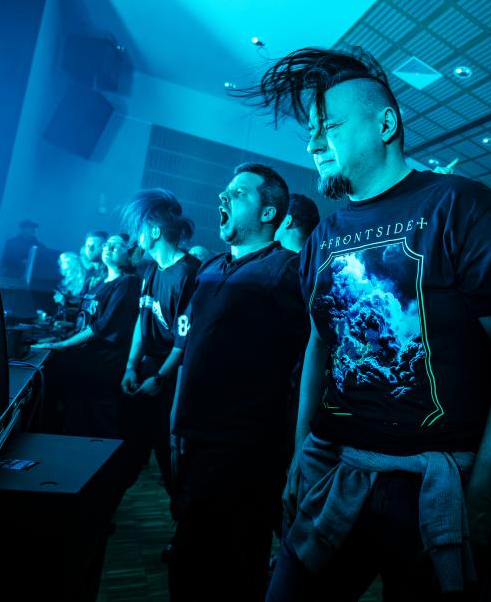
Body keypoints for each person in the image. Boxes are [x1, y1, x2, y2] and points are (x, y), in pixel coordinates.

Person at [241, 47, 491, 601]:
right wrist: (301, 453)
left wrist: (482, 499)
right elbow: (319, 346)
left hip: (438, 480)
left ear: (385, 124)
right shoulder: (323, 236)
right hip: (336, 467)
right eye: (311, 132)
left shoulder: (461, 204)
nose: (314, 144)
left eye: (329, 127)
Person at [165, 163, 308, 602]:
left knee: (233, 567)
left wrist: (297, 450)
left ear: (268, 213)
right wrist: (175, 423)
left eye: (240, 193)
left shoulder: (287, 270)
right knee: (188, 561)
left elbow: (306, 365)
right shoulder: (209, 266)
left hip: (245, 449)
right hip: (192, 439)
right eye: (225, 191)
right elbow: (190, 351)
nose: (224, 197)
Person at [118, 190, 199, 497]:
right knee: (129, 451)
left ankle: (181, 516)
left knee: (171, 457)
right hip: (149, 370)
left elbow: (183, 341)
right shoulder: (151, 269)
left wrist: (161, 378)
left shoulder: (188, 272)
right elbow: (143, 320)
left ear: (154, 230)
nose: (136, 237)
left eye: (141, 229)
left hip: (173, 378)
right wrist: (131, 366)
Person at [32, 234, 140, 437]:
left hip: (103, 365)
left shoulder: (128, 283)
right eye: (107, 244)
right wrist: (60, 338)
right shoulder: (100, 282)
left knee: (99, 427)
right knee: (75, 421)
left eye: (118, 246)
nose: (109, 248)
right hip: (84, 363)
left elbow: (102, 326)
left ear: (131, 255)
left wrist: (63, 344)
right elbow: (85, 320)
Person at [80, 230, 109, 294]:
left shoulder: (110, 272)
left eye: (95, 246)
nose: (90, 249)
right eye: (88, 245)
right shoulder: (90, 272)